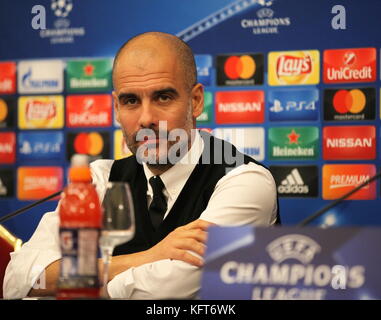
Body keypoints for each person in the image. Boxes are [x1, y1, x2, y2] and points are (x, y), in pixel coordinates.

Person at [3, 31, 279, 300]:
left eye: (163, 97)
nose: (146, 118)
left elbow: (172, 289)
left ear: (195, 101)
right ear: (116, 108)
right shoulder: (101, 179)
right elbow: (18, 278)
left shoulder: (244, 179)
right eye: (131, 100)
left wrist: (78, 287)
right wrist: (150, 257)